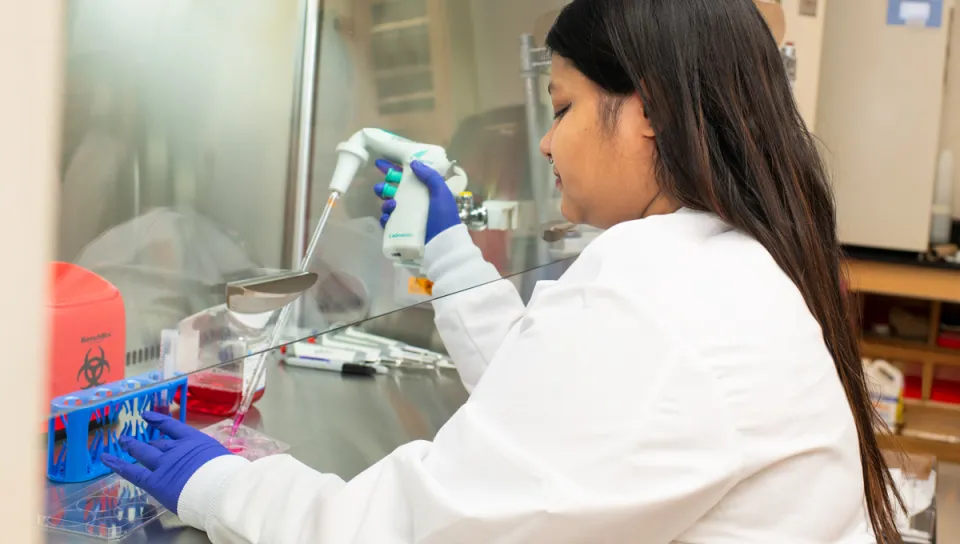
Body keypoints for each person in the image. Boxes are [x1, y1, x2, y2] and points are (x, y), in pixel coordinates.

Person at [102, 0, 904, 541]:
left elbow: (421, 527)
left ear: (651, 110)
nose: (548, 143)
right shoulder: (718, 264)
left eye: (562, 107)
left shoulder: (666, 294)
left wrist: (219, 485)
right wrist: (449, 257)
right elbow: (564, 409)